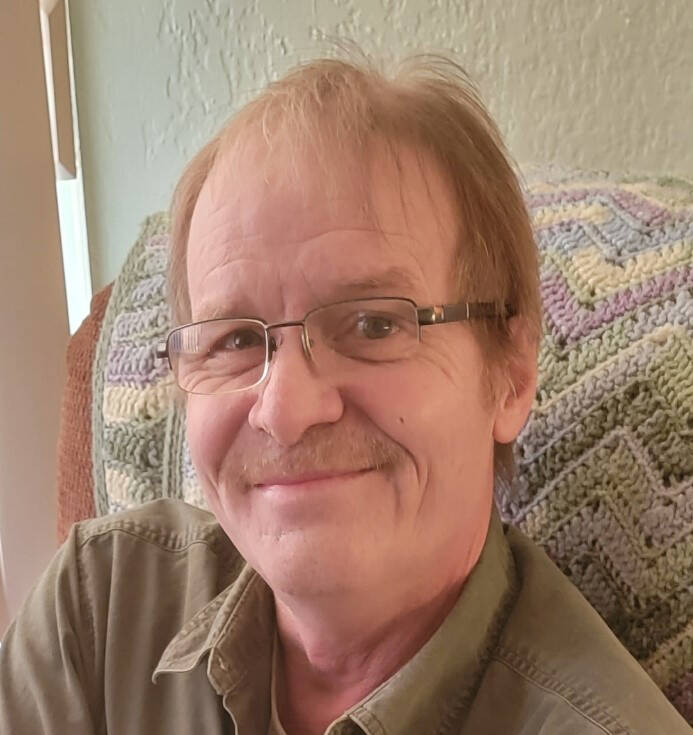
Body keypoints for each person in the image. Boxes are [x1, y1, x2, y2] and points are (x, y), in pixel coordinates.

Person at [0, 55, 688, 735]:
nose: (285, 411)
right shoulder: (96, 613)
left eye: (373, 324)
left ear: (510, 372)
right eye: (234, 340)